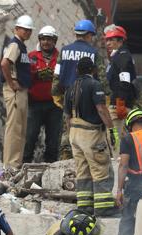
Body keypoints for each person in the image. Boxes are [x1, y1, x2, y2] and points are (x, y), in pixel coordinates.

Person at [64, 57, 118, 216]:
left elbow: (67, 116)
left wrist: (70, 135)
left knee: (83, 171)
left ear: (76, 71)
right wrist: (111, 129)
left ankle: (85, 207)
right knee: (101, 169)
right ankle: (103, 208)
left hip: (74, 134)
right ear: (92, 70)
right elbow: (101, 109)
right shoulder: (95, 85)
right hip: (91, 135)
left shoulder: (70, 87)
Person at [52, 19, 99, 160]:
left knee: (68, 130)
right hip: (88, 98)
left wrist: (56, 94)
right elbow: (99, 76)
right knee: (86, 130)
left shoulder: (64, 50)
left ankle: (65, 162)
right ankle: (83, 161)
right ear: (88, 35)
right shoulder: (93, 52)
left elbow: (57, 74)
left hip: (68, 96)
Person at [23, 25, 63, 164]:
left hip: (55, 105)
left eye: (50, 39)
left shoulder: (60, 57)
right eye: (44, 39)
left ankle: (51, 167)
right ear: (40, 40)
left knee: (53, 139)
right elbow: (24, 77)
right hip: (35, 104)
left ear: (55, 41)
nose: (46, 42)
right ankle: (25, 164)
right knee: (30, 136)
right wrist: (36, 74)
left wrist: (55, 76)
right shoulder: (31, 56)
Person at [0, 15, 34, 173]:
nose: (27, 32)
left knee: (20, 128)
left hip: (21, 91)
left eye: (29, 30)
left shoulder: (21, 46)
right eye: (24, 29)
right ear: (17, 29)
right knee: (14, 128)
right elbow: (5, 63)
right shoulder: (15, 45)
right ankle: (11, 165)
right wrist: (11, 82)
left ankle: (15, 163)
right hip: (15, 90)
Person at [104, 25, 138, 155]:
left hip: (119, 103)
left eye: (111, 40)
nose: (108, 43)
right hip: (120, 101)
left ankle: (118, 159)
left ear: (120, 41)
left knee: (113, 133)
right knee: (120, 134)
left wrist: (120, 103)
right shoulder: (118, 56)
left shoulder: (122, 56)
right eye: (107, 40)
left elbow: (124, 81)